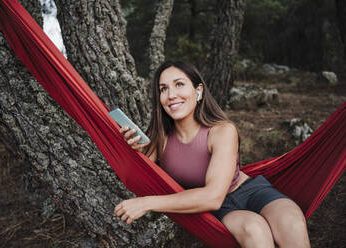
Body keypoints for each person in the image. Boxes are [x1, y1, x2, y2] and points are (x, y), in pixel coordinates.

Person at [114, 61, 310, 248]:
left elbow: (213, 195)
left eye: (179, 84)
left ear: (198, 91)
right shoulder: (160, 138)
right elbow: (136, 176)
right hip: (217, 211)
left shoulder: (222, 131)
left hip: (251, 192)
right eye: (163, 89)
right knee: (255, 229)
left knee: (291, 222)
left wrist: (147, 204)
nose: (171, 94)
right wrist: (133, 150)